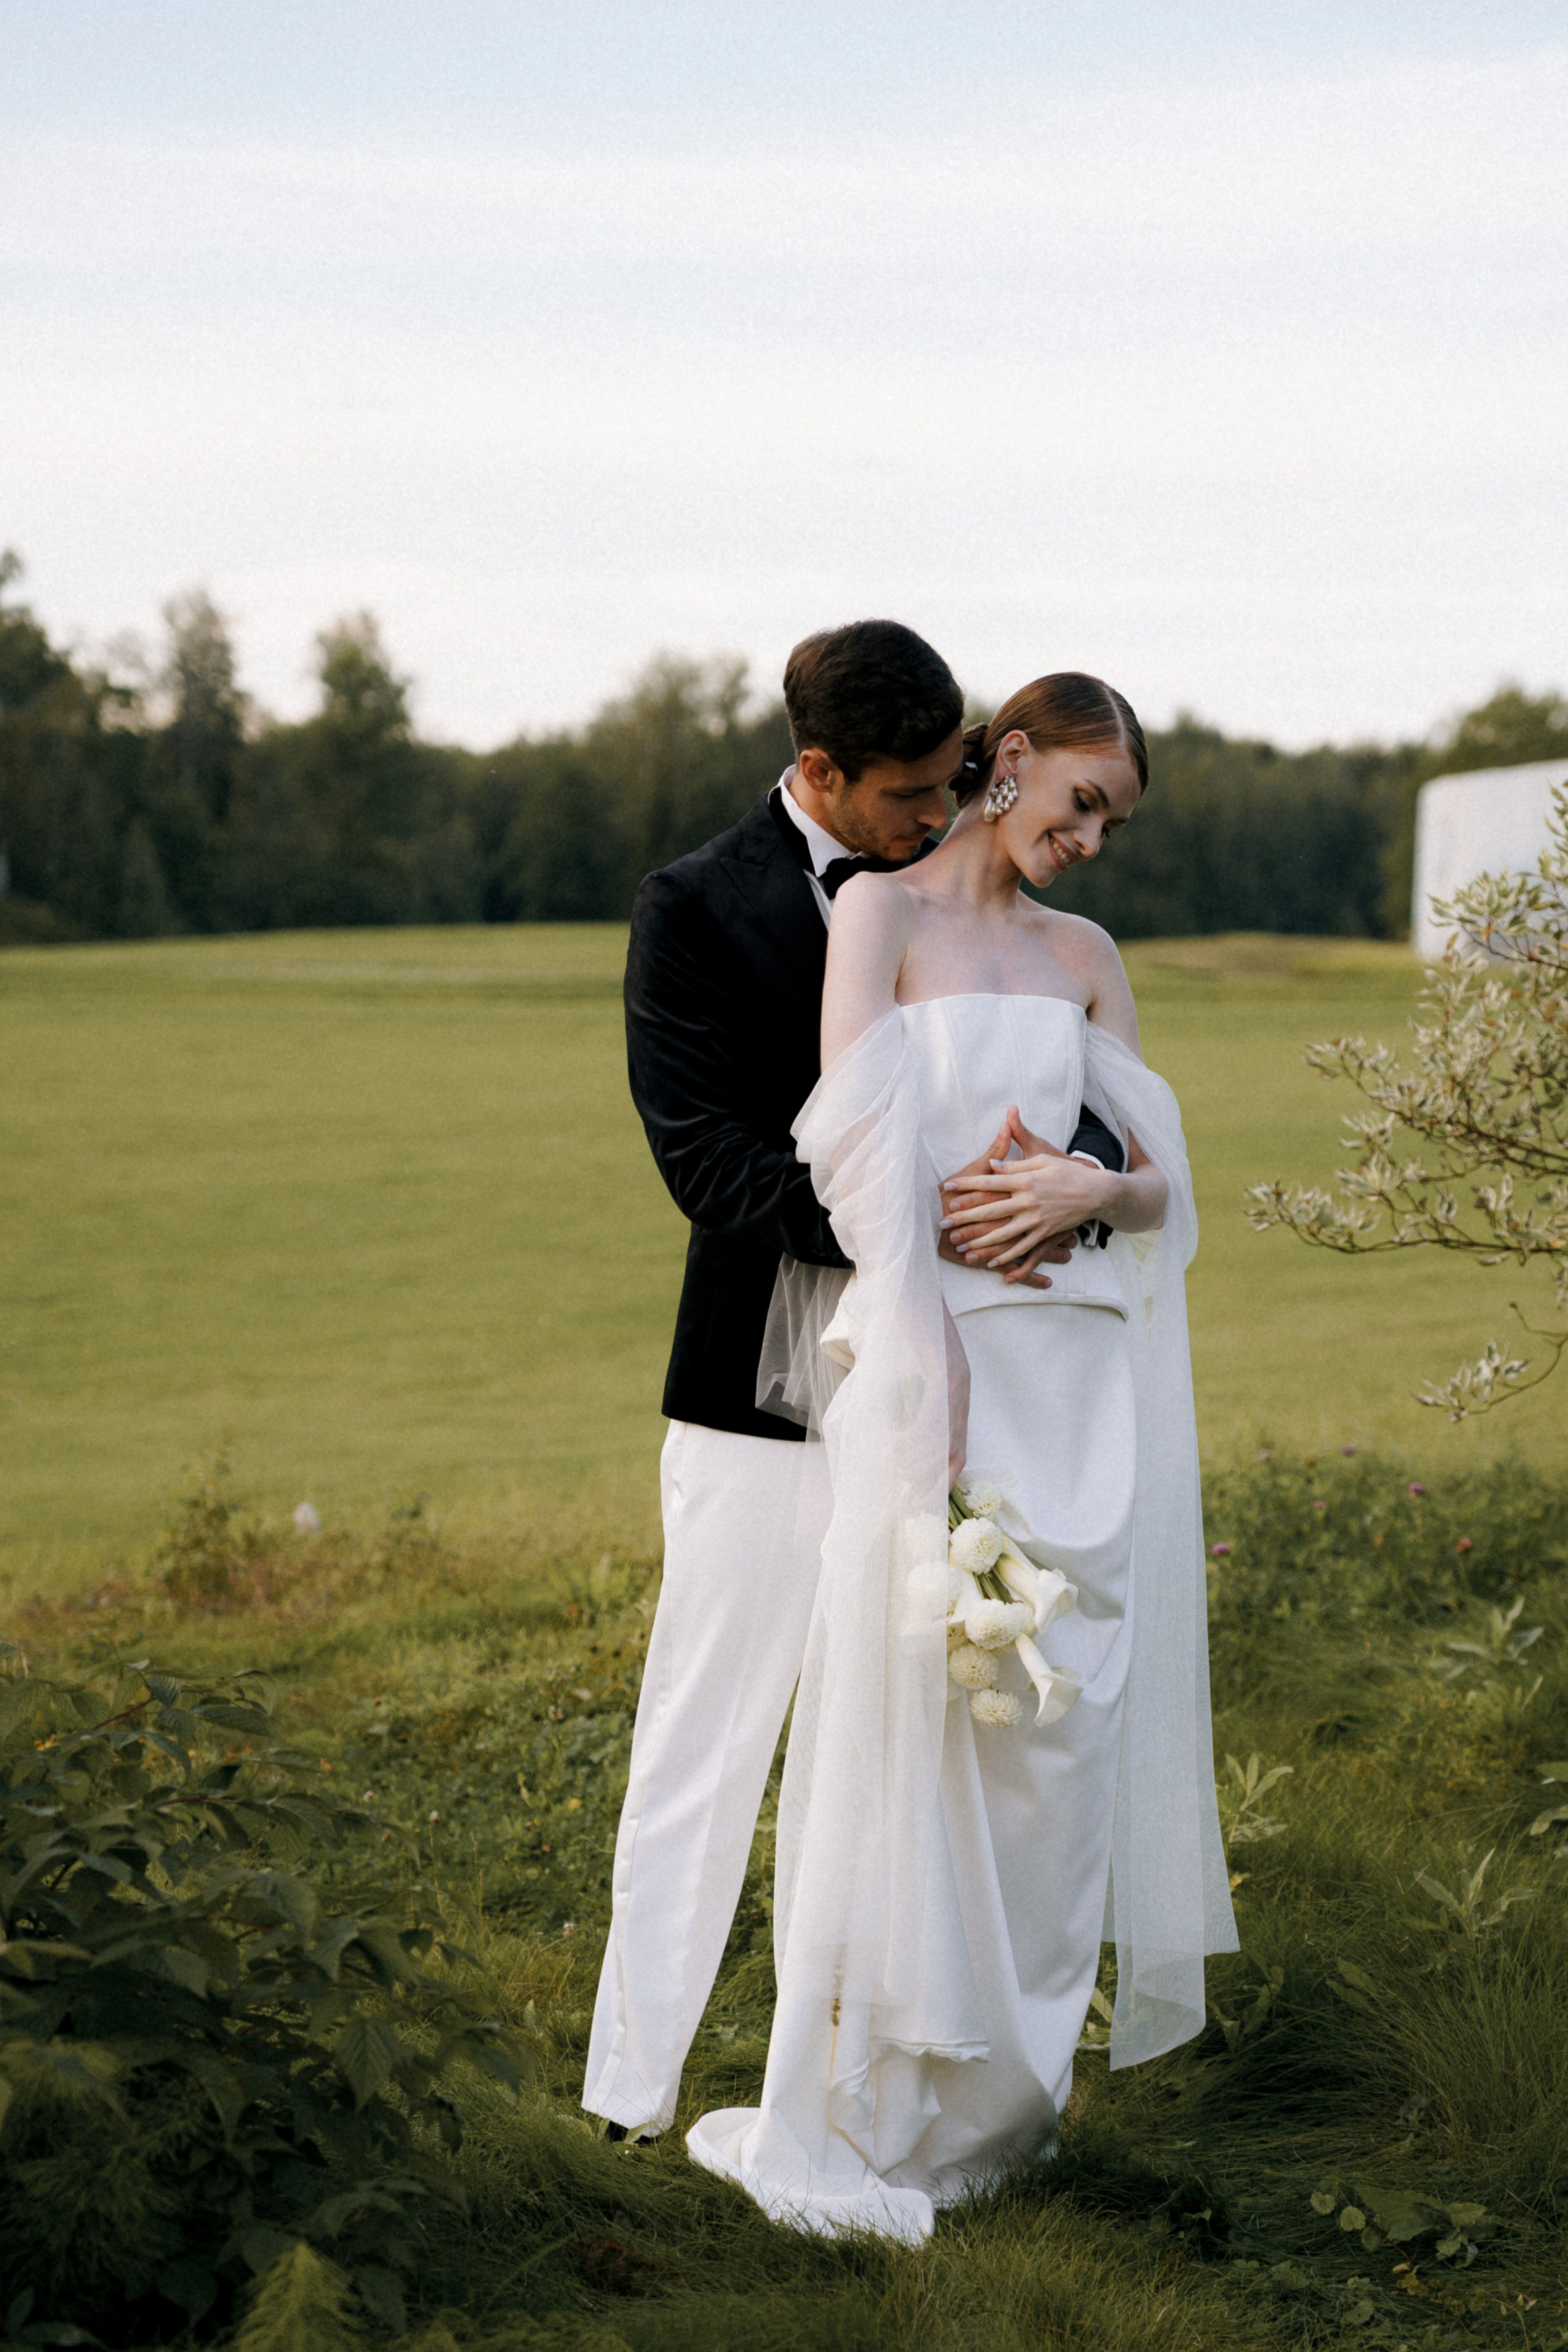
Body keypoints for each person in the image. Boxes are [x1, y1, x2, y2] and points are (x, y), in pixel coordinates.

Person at [685, 671, 1238, 2241]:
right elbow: (852, 1163)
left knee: (1055, 1747)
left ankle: (1008, 2103)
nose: (1089, 842)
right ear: (1007, 761)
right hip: (940, 1364)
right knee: (914, 1723)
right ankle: (880, 2099)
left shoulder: (1087, 958)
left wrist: (1087, 1195)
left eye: (1112, 824)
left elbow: (1161, 1183)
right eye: (1079, 803)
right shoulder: (878, 919)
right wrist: (927, 1373)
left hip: (1080, 1383)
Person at [583, 623, 1120, 2143]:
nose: (937, 810)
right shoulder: (694, 907)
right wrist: (920, 1223)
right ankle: (629, 2092)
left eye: (956, 776)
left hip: (962, 1385)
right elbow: (707, 1162)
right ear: (817, 769)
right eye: (904, 792)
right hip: (757, 1391)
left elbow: (1080, 1098)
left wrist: (1062, 1186)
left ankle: (868, 2094)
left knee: (913, 1751)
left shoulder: (975, 891)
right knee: (706, 1733)